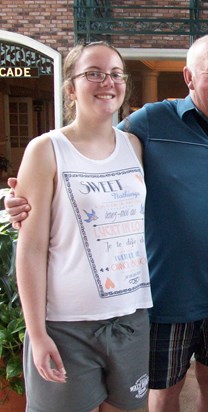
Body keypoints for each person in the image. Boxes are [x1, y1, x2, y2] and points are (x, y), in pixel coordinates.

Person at [6, 33, 208, 412]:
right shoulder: (149, 124)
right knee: (165, 391)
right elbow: (91, 151)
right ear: (189, 78)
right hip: (163, 298)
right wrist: (25, 201)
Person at [14, 41, 152, 411]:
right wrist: (37, 333)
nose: (107, 82)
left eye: (115, 74)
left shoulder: (135, 146)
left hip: (130, 319)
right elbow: (29, 249)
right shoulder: (46, 150)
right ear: (71, 88)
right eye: (93, 73)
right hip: (66, 326)